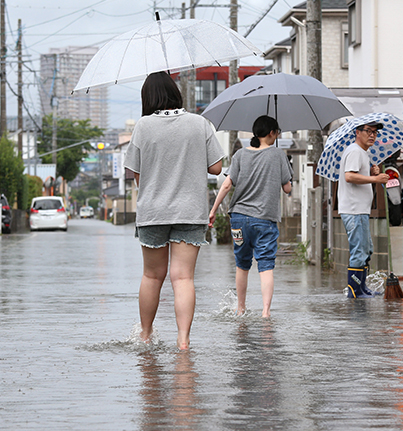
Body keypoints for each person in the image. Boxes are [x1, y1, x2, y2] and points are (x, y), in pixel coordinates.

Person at [124, 71, 224, 350]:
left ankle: (145, 336)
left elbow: (135, 172)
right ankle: (183, 342)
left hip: (153, 212)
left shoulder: (143, 127)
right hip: (190, 210)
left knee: (152, 276)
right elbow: (216, 168)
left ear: (148, 98)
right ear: (176, 93)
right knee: (183, 278)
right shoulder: (199, 123)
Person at [208, 115, 293, 318]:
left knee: (242, 264)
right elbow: (288, 188)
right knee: (265, 265)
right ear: (272, 133)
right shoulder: (278, 155)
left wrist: (213, 210)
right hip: (265, 219)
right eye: (277, 132)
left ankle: (241, 308)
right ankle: (265, 311)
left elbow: (227, 185)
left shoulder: (239, 155)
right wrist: (286, 169)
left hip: (239, 219)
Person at [338, 121, 390, 298]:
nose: (372, 135)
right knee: (359, 251)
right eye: (368, 131)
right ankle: (354, 290)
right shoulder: (354, 151)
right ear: (357, 132)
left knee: (366, 250)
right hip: (354, 209)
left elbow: (358, 175)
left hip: (360, 209)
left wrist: (372, 173)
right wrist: (375, 179)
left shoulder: (362, 153)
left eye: (375, 132)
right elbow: (350, 176)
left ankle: (362, 288)